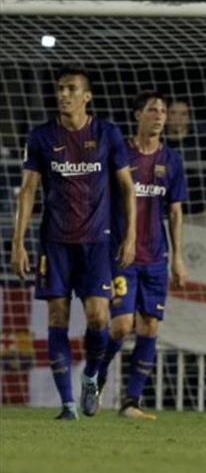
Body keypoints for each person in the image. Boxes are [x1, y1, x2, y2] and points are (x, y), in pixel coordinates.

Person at [10, 68, 137, 420]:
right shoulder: (41, 136)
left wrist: (131, 235)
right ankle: (67, 405)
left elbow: (127, 187)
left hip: (98, 242)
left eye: (71, 89)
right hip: (55, 242)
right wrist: (17, 242)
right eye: (60, 89)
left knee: (99, 319)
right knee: (57, 317)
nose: (64, 94)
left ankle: (92, 375)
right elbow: (29, 191)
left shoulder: (107, 133)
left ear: (87, 96)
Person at [96, 91, 189, 420]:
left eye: (163, 111)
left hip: (155, 257)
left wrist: (178, 257)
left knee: (150, 327)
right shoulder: (120, 154)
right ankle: (98, 372)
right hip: (122, 254)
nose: (160, 116)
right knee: (121, 326)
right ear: (138, 115)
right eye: (153, 110)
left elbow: (175, 212)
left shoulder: (172, 160)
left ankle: (130, 402)